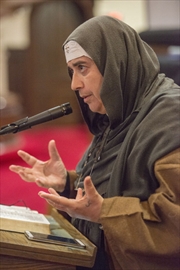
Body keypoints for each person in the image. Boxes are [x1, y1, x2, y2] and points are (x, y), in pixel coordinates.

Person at [9, 15, 180, 270]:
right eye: (71, 71)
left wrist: (103, 213)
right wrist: (68, 183)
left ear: (115, 63)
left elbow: (174, 220)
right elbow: (111, 190)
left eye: (82, 68)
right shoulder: (119, 113)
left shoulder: (171, 116)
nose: (75, 84)